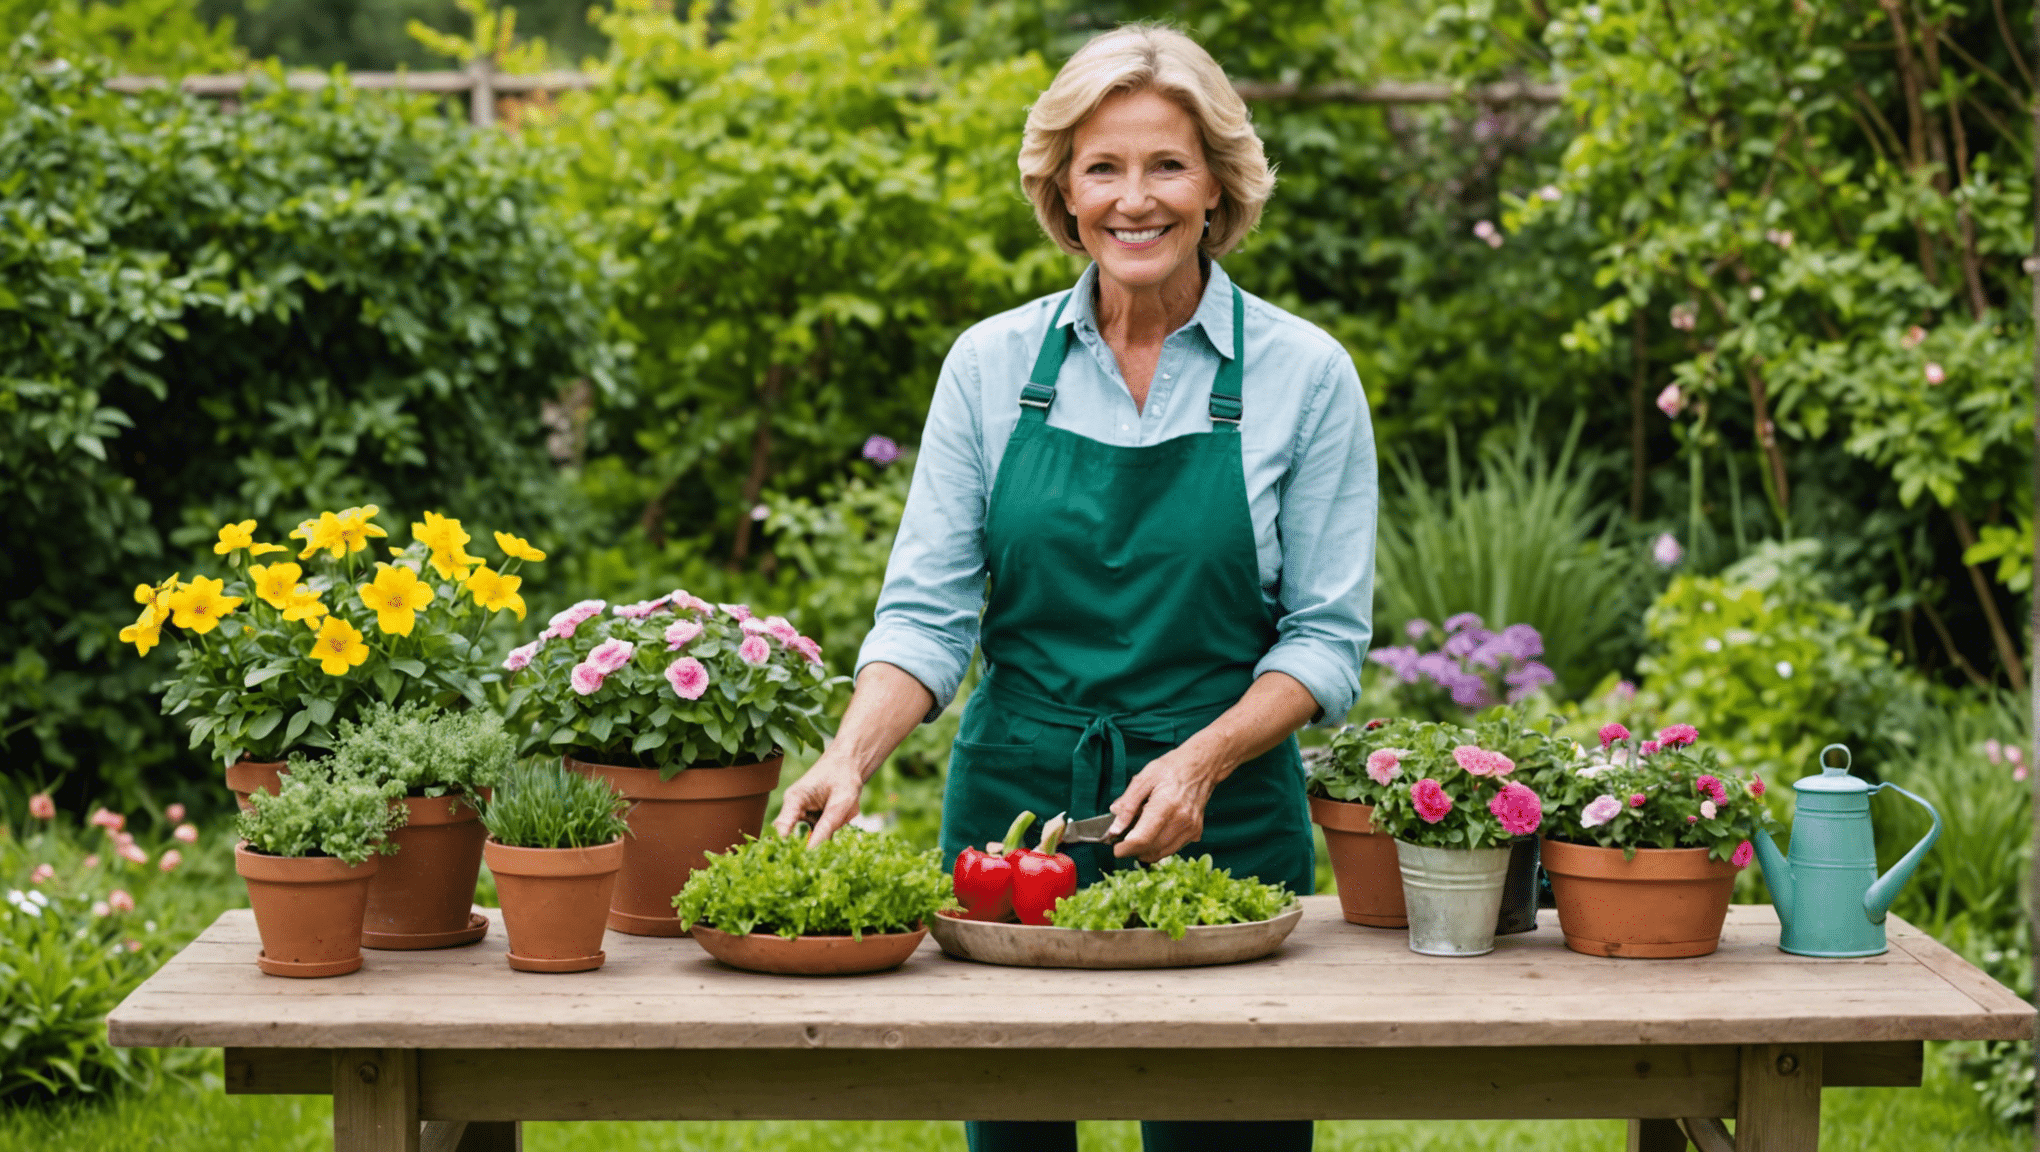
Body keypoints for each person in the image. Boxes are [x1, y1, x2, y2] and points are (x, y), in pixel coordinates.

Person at [773, 23, 1377, 1152]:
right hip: (1012, 822)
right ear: (1063, 189)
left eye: (1166, 165)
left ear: (1217, 187)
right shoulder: (993, 366)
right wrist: (848, 757)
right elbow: (928, 613)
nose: (1133, 199)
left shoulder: (1304, 375)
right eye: (1103, 167)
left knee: (1225, 1136)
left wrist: (1201, 760)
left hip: (1222, 813)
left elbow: (1325, 639)